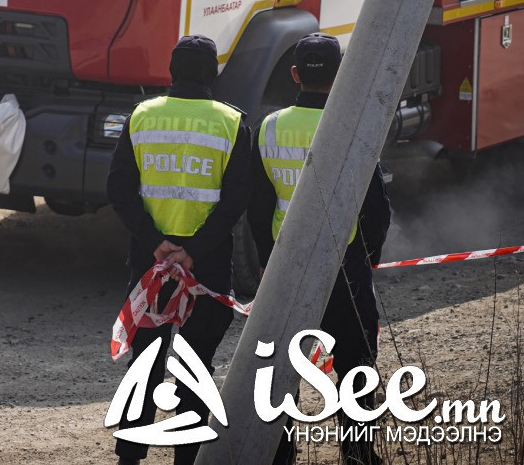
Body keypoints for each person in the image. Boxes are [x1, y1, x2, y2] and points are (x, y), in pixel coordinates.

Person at [247, 33, 392, 465]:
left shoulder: (269, 127)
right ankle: (358, 454)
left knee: (281, 366)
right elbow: (376, 209)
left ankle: (280, 454)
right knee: (355, 363)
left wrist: (264, 259)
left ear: (294, 75)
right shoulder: (354, 126)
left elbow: (257, 207)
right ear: (341, 74)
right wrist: (367, 259)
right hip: (344, 267)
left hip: (285, 265)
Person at [106, 34, 251, 465]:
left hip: (152, 269)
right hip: (204, 268)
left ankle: (129, 457)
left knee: (145, 362)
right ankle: (186, 459)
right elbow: (236, 199)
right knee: (195, 362)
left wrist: (155, 243)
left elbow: (118, 188)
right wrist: (194, 251)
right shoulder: (231, 121)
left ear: (171, 71)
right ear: (214, 73)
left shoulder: (141, 115)